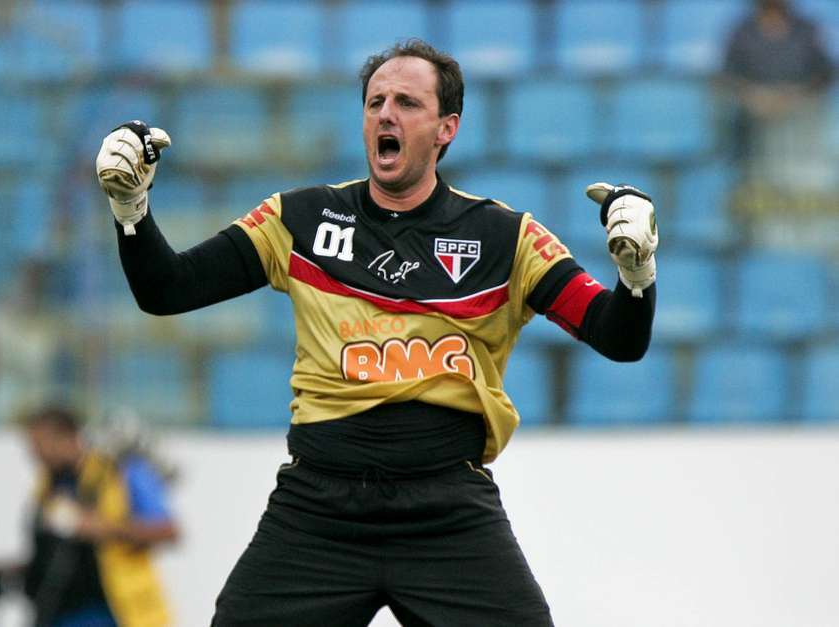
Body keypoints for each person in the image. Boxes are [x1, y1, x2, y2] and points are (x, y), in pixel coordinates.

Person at [96, 39, 657, 626]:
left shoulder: (507, 238)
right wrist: (131, 208)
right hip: (317, 512)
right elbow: (167, 290)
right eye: (374, 102)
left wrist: (636, 274)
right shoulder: (298, 220)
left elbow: (618, 337)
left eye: (408, 103)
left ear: (447, 128)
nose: (386, 114)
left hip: (447, 515)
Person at [0, 403, 179, 627]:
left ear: (69, 438)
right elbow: (57, 558)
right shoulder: (47, 488)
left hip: (118, 615)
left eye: (41, 444)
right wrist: (9, 570)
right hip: (57, 614)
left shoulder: (121, 472)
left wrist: (101, 528)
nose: (34, 454)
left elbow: (168, 531)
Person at [720, 0, 837, 247]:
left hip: (804, 132)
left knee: (806, 189)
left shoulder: (808, 30)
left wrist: (794, 97)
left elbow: (824, 75)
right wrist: (755, 97)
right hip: (753, 134)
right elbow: (729, 77)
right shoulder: (742, 31)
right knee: (763, 201)